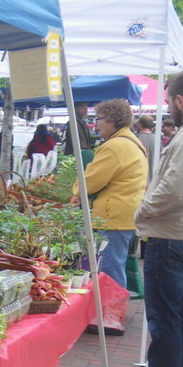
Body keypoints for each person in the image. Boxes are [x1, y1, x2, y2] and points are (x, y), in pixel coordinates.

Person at [120, 71, 183, 367]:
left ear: (180, 100)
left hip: (169, 236)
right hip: (175, 235)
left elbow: (173, 188)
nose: (167, 108)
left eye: (168, 101)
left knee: (165, 316)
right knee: (174, 315)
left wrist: (141, 211)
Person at [71, 98, 147, 293]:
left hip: (112, 218)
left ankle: (111, 320)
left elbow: (90, 181)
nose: (95, 123)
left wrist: (76, 191)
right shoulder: (132, 142)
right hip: (125, 215)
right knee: (114, 268)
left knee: (109, 271)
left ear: (112, 120)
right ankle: (112, 316)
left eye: (99, 118)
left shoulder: (115, 146)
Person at [135, 114, 158, 180]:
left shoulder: (135, 139)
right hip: (154, 177)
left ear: (139, 124)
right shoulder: (157, 140)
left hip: (140, 178)